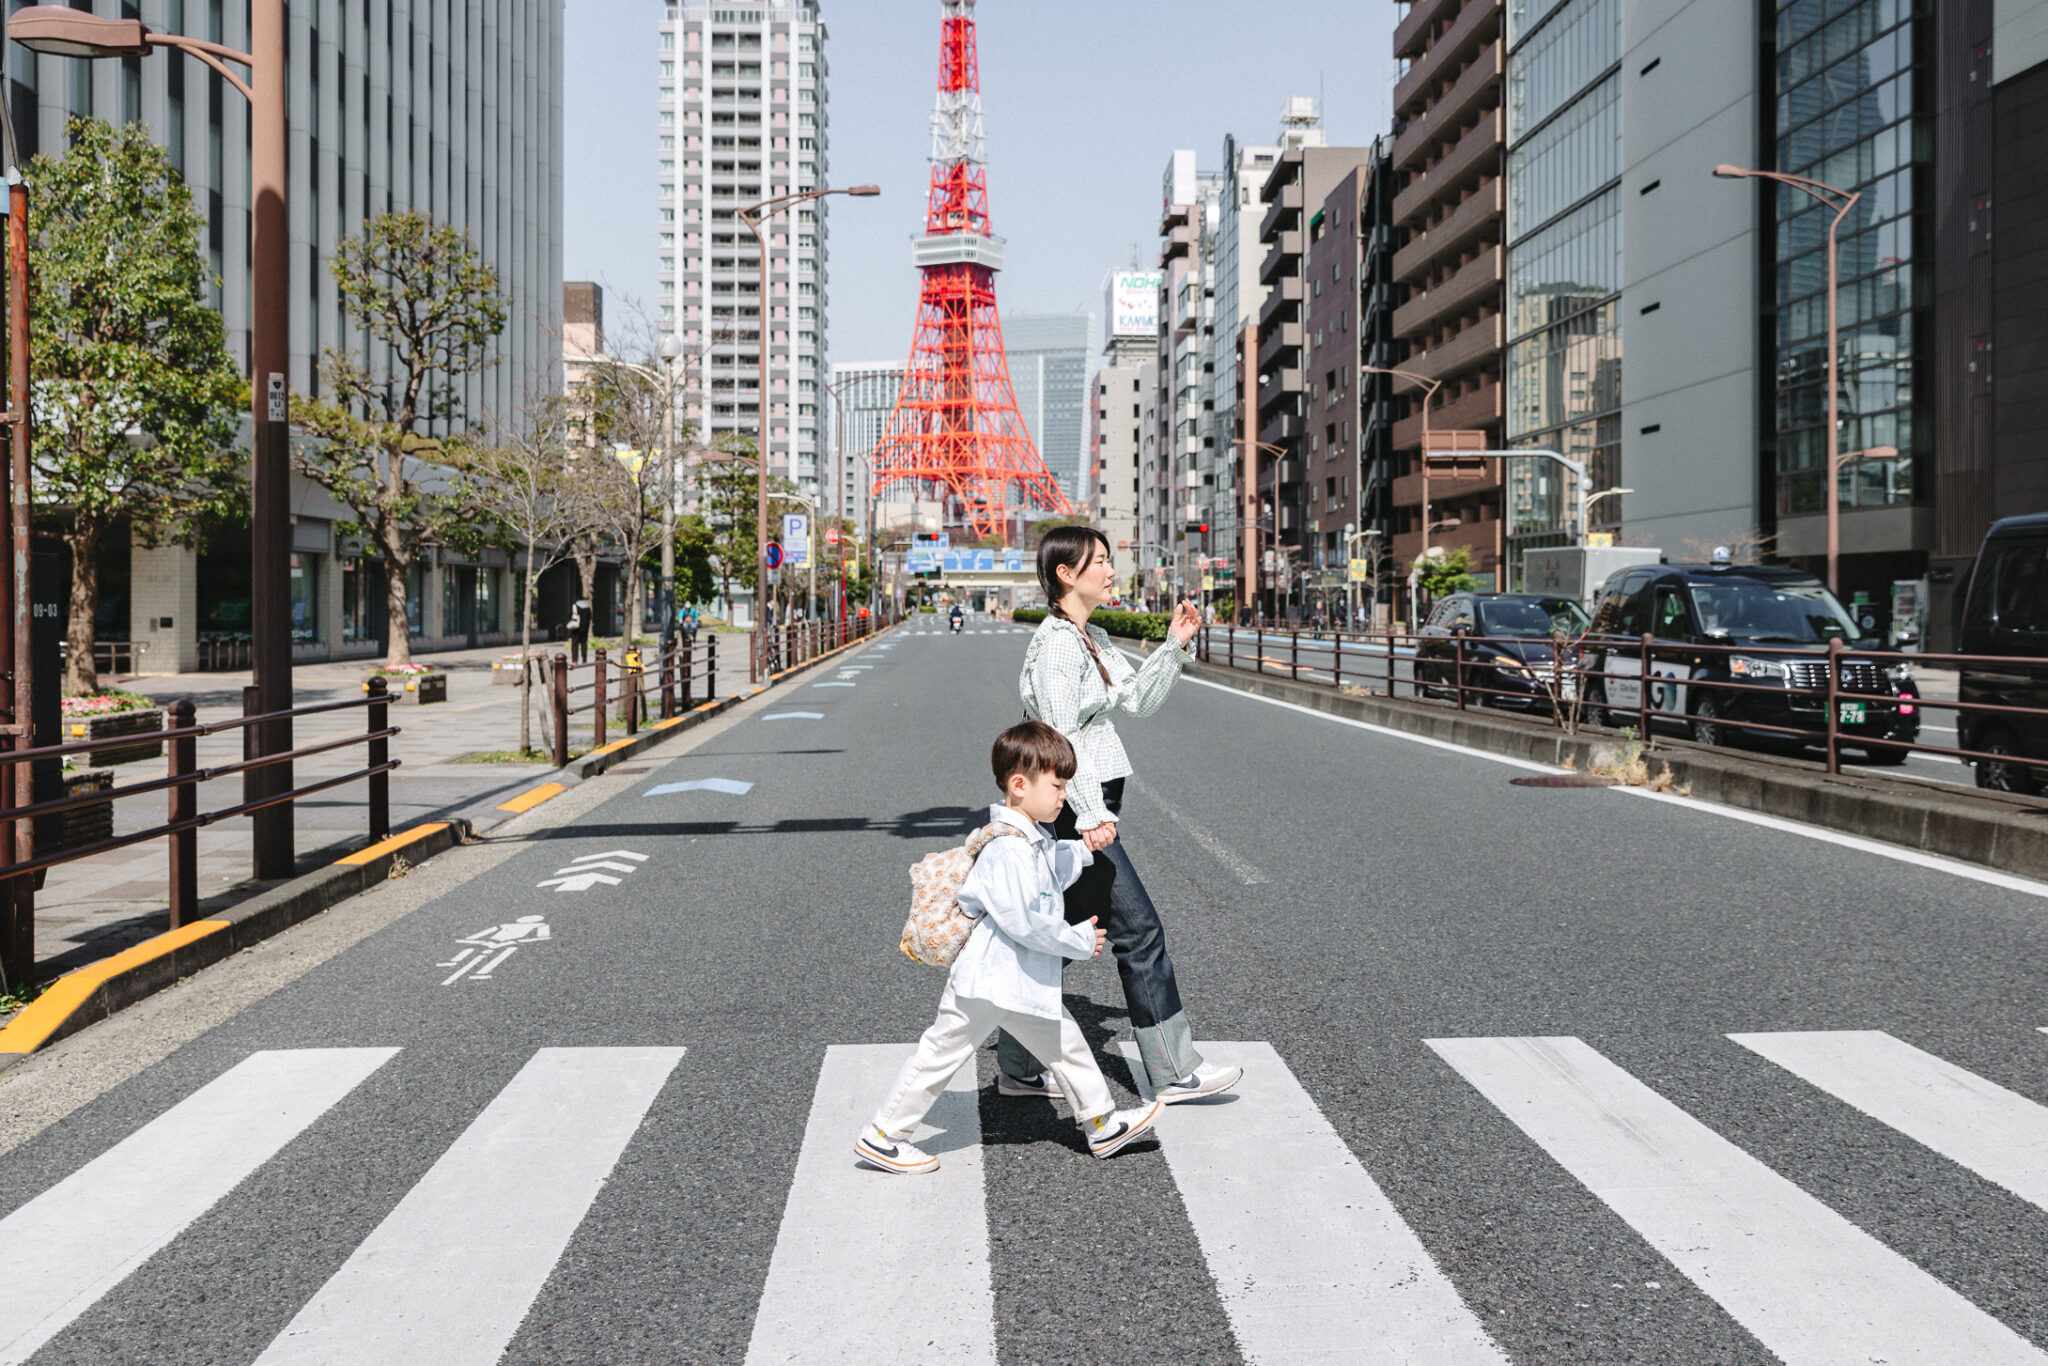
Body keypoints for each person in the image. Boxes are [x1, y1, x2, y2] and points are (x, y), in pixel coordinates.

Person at [995, 526, 1242, 1104]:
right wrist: (1086, 815)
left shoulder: (1092, 637)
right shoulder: (1058, 643)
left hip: (1082, 807)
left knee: (1055, 939)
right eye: (1100, 562)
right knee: (1139, 933)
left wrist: (1173, 645)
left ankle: (1017, 1067)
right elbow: (1057, 738)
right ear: (1066, 573)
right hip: (1072, 811)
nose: (1111, 571)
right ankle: (1174, 1071)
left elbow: (1138, 702)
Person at [857, 722, 1163, 1173]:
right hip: (991, 979)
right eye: (1057, 786)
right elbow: (1026, 920)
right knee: (941, 1054)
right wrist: (1078, 939)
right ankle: (883, 1136)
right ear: (1019, 786)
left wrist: (1080, 850)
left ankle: (1102, 1125)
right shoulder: (1010, 849)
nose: (1063, 796)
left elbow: (1048, 868)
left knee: (1066, 1044)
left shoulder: (1025, 838)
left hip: (1013, 979)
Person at [567, 595, 591, 665]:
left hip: (575, 629)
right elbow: (590, 617)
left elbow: (571, 617)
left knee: (574, 644)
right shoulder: (587, 607)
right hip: (585, 629)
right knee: (584, 645)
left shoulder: (575, 606)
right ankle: (584, 660)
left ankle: (575, 660)